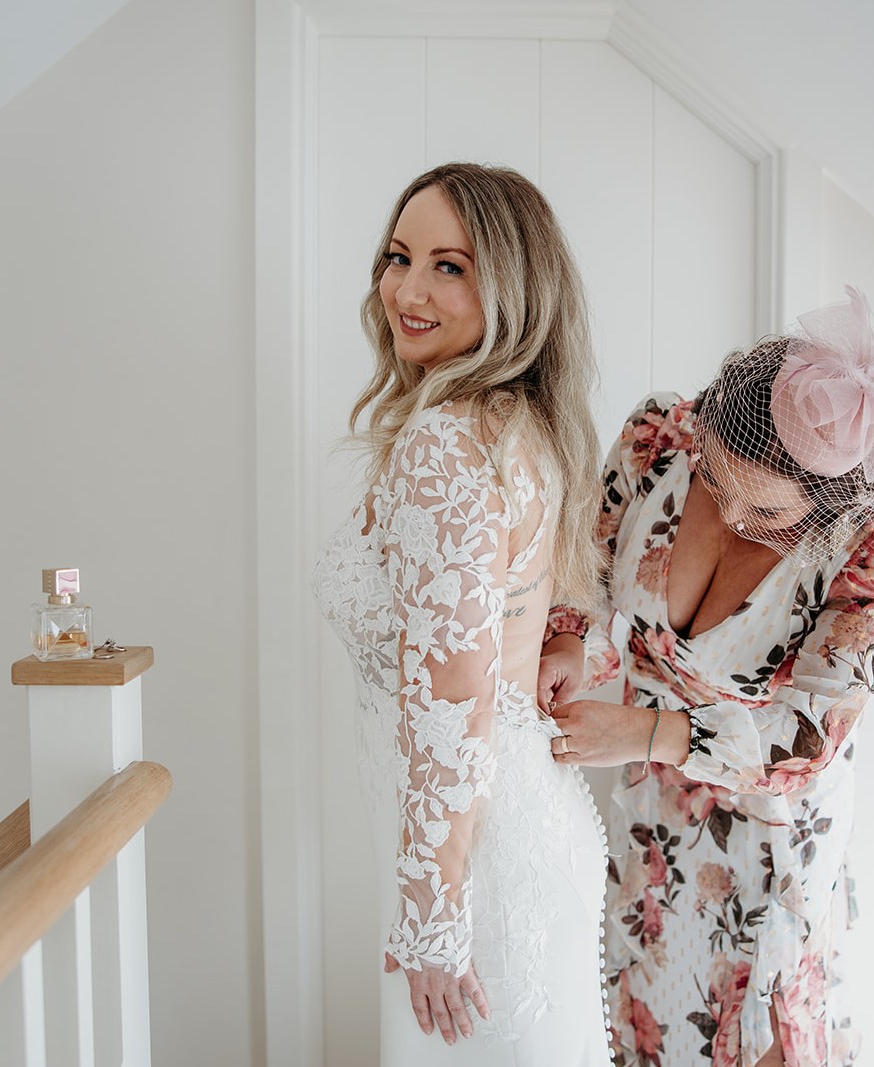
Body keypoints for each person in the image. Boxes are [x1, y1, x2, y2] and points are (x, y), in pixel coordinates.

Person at [539, 287, 874, 1067]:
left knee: (748, 1033)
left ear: (822, 507)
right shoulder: (661, 434)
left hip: (769, 840)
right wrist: (565, 641)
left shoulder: (870, 554)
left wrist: (641, 730)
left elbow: (806, 736)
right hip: (649, 813)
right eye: (714, 479)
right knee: (641, 1016)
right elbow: (585, 566)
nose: (725, 513)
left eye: (761, 512)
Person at [312, 162, 612, 1065]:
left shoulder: (446, 442)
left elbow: (453, 696)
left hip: (475, 858)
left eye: (451, 265)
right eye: (399, 257)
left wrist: (434, 915)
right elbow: (537, 597)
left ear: (515, 289)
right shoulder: (519, 422)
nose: (406, 288)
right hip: (502, 825)